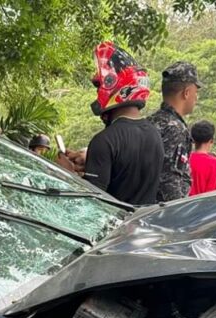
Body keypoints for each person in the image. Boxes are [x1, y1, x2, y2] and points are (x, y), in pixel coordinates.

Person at [58, 42, 163, 205]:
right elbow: (125, 175)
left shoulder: (104, 140)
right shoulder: (155, 134)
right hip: (142, 225)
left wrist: (67, 173)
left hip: (114, 227)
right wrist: (92, 162)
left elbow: (90, 203)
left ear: (112, 85)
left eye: (98, 87)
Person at [149, 62, 202, 202]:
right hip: (161, 213)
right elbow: (169, 179)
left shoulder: (150, 121)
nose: (196, 98)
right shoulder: (175, 129)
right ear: (187, 93)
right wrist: (179, 215)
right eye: (196, 93)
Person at [188, 120, 216, 196]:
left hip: (183, 203)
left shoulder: (186, 158)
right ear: (211, 141)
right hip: (201, 205)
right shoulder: (214, 163)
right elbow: (210, 192)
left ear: (192, 139)